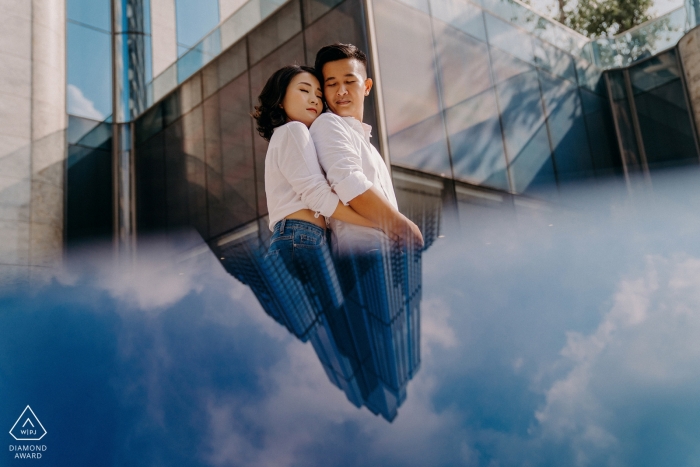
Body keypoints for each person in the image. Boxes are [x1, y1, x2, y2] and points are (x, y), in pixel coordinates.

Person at [252, 64, 377, 317]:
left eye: (319, 95)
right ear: (279, 101)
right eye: (304, 90)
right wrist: (372, 220)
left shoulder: (292, 135)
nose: (314, 99)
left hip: (302, 239)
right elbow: (317, 195)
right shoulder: (293, 130)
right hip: (301, 238)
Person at [309, 44, 423, 254]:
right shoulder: (327, 124)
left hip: (386, 260)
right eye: (332, 84)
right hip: (362, 256)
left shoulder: (371, 149)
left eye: (350, 81)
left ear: (367, 86)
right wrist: (404, 227)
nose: (341, 91)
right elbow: (349, 183)